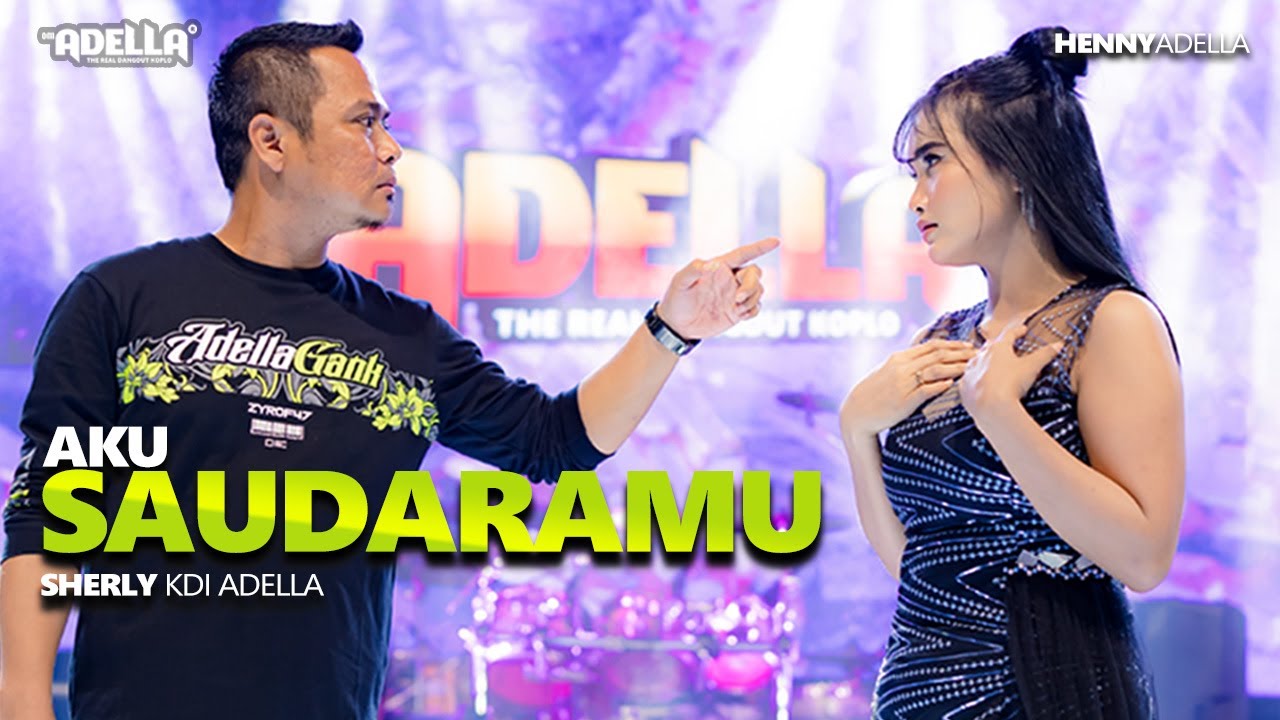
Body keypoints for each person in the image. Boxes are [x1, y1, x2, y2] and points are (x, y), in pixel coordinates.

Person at [0, 20, 777, 720]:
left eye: (387, 124)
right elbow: (52, 511)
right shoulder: (122, 300)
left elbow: (556, 440)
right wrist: (23, 700)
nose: (391, 148)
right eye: (364, 122)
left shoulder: (403, 335)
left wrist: (671, 329)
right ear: (271, 141)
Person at [839, 27, 1183, 719]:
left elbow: (1144, 557)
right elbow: (915, 567)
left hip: (1045, 690)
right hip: (916, 689)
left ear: (1018, 164)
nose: (916, 198)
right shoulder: (942, 337)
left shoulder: (1112, 320)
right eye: (913, 173)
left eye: (933, 162)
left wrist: (1000, 413)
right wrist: (855, 432)